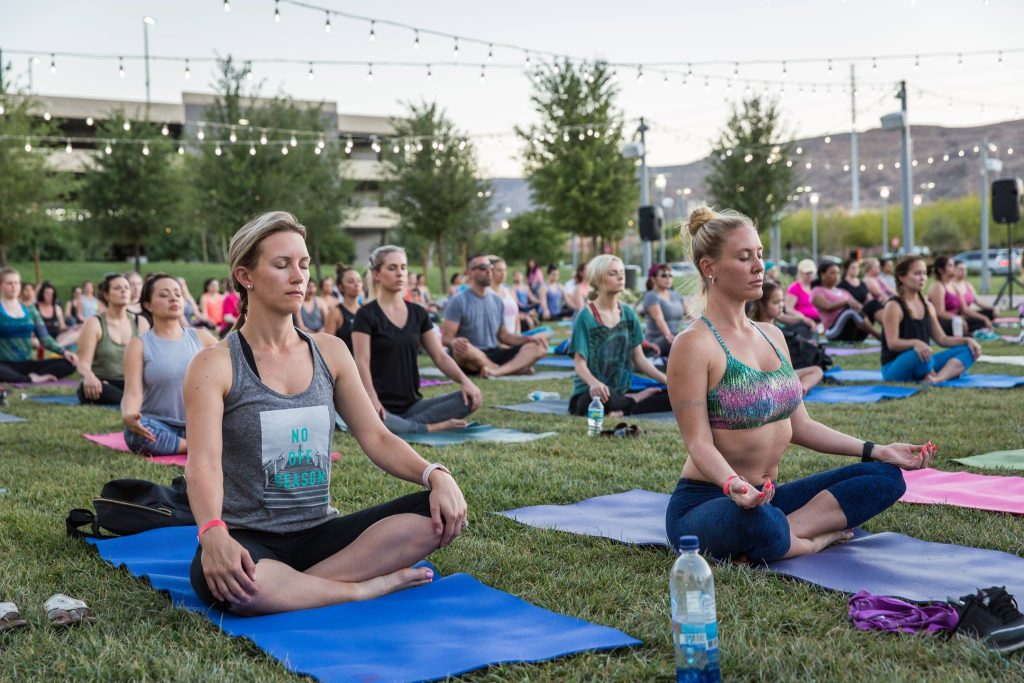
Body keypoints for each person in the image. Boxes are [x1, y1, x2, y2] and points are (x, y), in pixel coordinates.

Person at [183, 211, 466, 615]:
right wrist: (212, 534)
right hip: (250, 537)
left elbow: (376, 436)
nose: (299, 276)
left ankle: (299, 588)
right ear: (245, 276)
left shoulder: (330, 351)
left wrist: (434, 473)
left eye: (303, 264)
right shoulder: (215, 364)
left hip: (321, 532)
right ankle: (360, 589)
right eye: (282, 265)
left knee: (435, 515)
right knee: (237, 585)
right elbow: (204, 461)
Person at [665, 207, 929, 564]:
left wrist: (877, 449)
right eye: (744, 257)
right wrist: (734, 485)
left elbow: (801, 425)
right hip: (711, 500)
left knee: (885, 477)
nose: (759, 266)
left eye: (759, 255)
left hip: (768, 495)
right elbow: (698, 443)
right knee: (756, 520)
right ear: (709, 268)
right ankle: (809, 540)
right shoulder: (693, 344)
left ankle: (783, 535)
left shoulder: (772, 335)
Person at [353, 246, 482, 435]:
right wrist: (372, 399)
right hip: (379, 404)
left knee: (470, 398)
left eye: (403, 268)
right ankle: (427, 427)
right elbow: (361, 361)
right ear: (377, 274)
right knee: (374, 417)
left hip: (413, 405)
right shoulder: (366, 315)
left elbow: (439, 355)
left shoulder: (418, 313)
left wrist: (465, 381)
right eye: (392, 268)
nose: (400, 273)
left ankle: (401, 426)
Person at [122, 274, 218, 455]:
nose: (173, 298)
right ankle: (197, 447)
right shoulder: (139, 344)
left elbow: (233, 365)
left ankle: (193, 444)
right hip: (159, 424)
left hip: (199, 424)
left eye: (177, 294)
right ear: (148, 305)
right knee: (138, 434)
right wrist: (129, 415)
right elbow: (133, 392)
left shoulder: (202, 337)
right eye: (164, 295)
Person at [568, 255, 670, 417]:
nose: (621, 277)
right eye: (613, 273)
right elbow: (580, 364)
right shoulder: (585, 317)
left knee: (673, 397)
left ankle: (623, 409)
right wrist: (594, 383)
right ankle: (635, 400)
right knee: (597, 399)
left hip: (621, 391)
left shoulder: (628, 314)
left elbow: (640, 360)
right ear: (598, 279)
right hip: (590, 392)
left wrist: (668, 382)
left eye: (621, 272)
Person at [442, 254, 549, 378]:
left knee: (539, 346)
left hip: (494, 351)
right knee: (463, 349)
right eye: (483, 267)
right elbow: (446, 338)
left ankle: (495, 371)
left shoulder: (497, 300)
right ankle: (508, 369)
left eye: (490, 267)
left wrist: (528, 339)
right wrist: (455, 341)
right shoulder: (458, 300)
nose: (488, 271)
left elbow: (504, 336)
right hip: (470, 355)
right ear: (471, 273)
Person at [880, 256, 980, 383]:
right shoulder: (893, 306)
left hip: (924, 359)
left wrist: (967, 340)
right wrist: (916, 343)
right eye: (917, 273)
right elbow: (892, 343)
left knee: (968, 350)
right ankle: (934, 372)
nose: (923, 277)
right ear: (902, 277)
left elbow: (942, 339)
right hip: (895, 367)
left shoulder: (928, 306)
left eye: (924, 273)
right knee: (919, 355)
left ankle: (937, 378)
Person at [0, 268, 78, 383]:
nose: (14, 286)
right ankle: (30, 379)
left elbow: (45, 339)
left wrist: (64, 352)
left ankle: (30, 377)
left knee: (69, 364)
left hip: (27, 364)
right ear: (1, 285)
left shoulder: (30, 310)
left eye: (16, 283)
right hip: (3, 364)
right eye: (9, 283)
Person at [747, 281, 823, 394]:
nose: (781, 305)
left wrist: (804, 320)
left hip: (782, 375)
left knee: (817, 371)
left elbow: (784, 317)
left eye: (782, 301)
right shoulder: (754, 328)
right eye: (776, 302)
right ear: (762, 304)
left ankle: (801, 389)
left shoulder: (775, 319)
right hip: (766, 377)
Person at [76, 273, 138, 405]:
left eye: (127, 288)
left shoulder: (139, 322)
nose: (123, 291)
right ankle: (132, 402)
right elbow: (82, 363)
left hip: (132, 384)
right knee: (92, 390)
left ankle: (132, 400)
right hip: (102, 384)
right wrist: (90, 377)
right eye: (117, 288)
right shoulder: (94, 323)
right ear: (106, 295)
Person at [812, 262, 881, 342]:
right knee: (850, 311)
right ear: (823, 275)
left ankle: (891, 331)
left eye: (838, 273)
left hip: (855, 332)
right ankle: (879, 336)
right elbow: (827, 307)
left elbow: (857, 306)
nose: (837, 276)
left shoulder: (843, 291)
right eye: (833, 273)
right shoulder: (817, 291)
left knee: (873, 304)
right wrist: (846, 303)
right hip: (834, 332)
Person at [927, 256, 992, 336]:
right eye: (950, 265)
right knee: (959, 324)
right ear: (941, 270)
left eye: (954, 265)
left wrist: (984, 318)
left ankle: (969, 331)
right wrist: (958, 319)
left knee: (982, 320)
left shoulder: (953, 286)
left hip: (956, 319)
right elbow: (940, 312)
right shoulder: (938, 286)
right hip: (943, 322)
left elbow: (965, 309)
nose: (954, 268)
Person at [641, 263, 687, 357]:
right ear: (653, 279)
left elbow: (688, 315)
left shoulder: (676, 294)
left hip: (676, 336)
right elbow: (659, 319)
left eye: (670, 275)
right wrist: (669, 336)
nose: (668, 278)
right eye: (663, 275)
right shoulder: (651, 296)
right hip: (658, 340)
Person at [325, 267, 362, 352]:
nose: (356, 284)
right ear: (341, 287)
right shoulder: (336, 312)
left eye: (359, 281)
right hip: (344, 362)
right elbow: (327, 346)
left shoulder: (366, 310)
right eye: (351, 281)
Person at [837, 259, 884, 324]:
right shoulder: (842, 285)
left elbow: (869, 299)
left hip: (863, 310)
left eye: (857, 267)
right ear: (846, 269)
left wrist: (880, 300)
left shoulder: (862, 284)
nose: (856, 269)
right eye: (853, 267)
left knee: (877, 302)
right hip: (851, 312)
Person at [952, 260, 997, 326]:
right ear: (954, 270)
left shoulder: (968, 285)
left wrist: (992, 308)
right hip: (960, 316)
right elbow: (964, 309)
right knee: (981, 320)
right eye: (960, 269)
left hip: (969, 313)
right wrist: (983, 318)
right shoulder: (952, 285)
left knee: (991, 312)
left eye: (965, 269)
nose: (964, 272)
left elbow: (978, 302)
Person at [785, 259, 821, 327]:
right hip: (802, 324)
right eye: (807, 273)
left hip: (818, 321)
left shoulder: (815, 286)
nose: (810, 275)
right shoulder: (794, 288)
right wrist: (805, 320)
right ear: (800, 273)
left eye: (811, 272)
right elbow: (789, 309)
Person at [490, 257, 521, 335]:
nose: (503, 273)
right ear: (491, 272)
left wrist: (517, 335)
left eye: (505, 270)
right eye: (499, 270)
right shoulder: (486, 293)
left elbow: (517, 317)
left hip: (513, 338)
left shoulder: (511, 291)